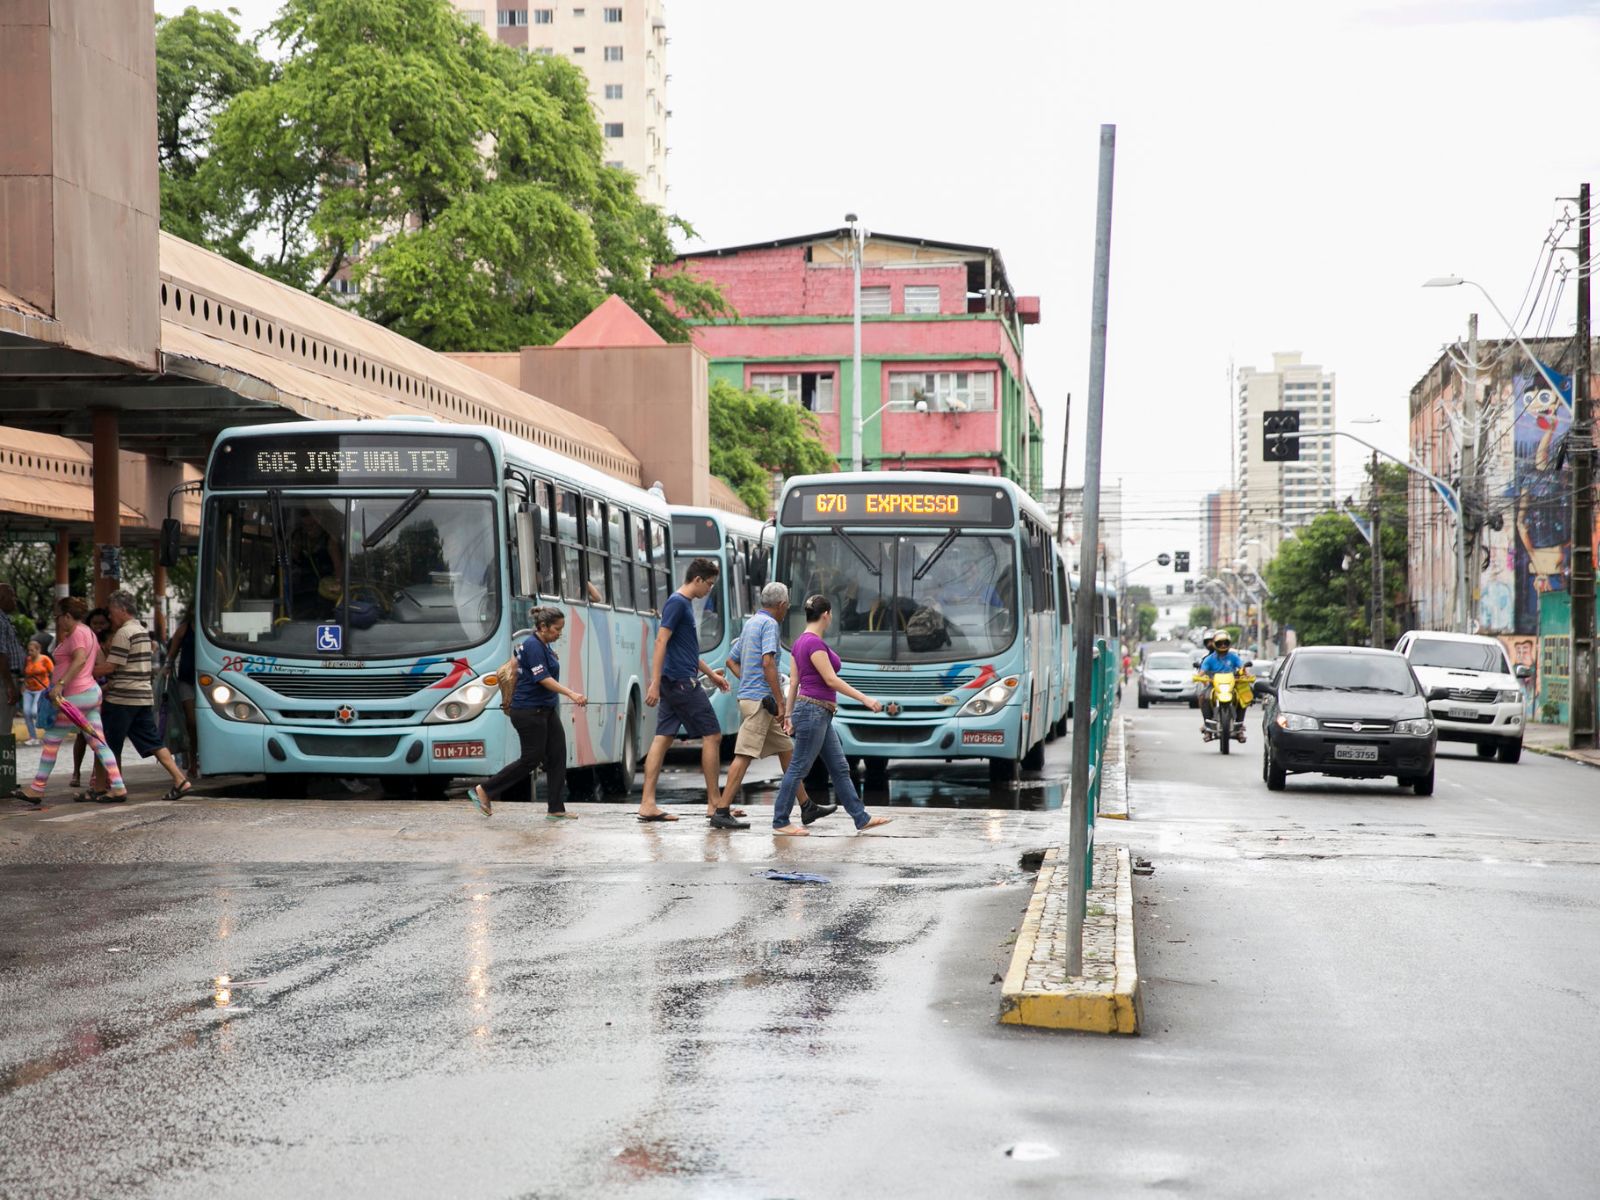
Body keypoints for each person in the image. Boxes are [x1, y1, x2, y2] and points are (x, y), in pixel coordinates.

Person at [770, 594, 893, 838]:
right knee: (799, 767)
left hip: (818, 712)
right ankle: (780, 820)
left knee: (839, 767)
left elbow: (794, 682)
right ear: (826, 614)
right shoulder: (814, 644)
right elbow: (830, 679)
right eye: (831, 614)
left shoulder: (798, 643)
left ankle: (861, 818)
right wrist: (865, 699)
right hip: (814, 711)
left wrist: (789, 715)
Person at [715, 582, 835, 830]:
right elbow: (768, 662)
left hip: (756, 699)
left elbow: (730, 660)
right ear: (781, 605)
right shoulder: (770, 625)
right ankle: (722, 810)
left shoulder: (751, 623)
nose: (787, 609)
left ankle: (806, 806)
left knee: (786, 751)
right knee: (745, 754)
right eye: (787, 605)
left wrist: (748, 682)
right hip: (763, 702)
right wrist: (780, 701)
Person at [468, 606, 587, 819]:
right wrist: (572, 694)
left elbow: (515, 664)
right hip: (529, 711)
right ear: (543, 627)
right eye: (557, 629)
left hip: (546, 711)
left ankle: (556, 809)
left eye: (561, 629)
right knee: (531, 759)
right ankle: (485, 790)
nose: (559, 633)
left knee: (558, 755)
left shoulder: (539, 645)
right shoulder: (533, 645)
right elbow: (542, 678)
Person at [637, 557, 731, 823]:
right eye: (709, 584)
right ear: (697, 579)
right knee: (712, 735)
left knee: (663, 737)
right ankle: (714, 804)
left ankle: (647, 803)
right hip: (679, 682)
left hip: (676, 679)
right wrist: (654, 682)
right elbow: (660, 641)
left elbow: (687, 650)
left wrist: (712, 674)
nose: (709, 590)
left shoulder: (684, 604)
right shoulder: (678, 603)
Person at [10, 597, 126, 804]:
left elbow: (81, 659)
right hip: (88, 693)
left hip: (74, 696)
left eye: (57, 616)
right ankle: (118, 786)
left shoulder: (78, 633)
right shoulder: (88, 633)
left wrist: (60, 684)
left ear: (67, 616)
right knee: (98, 742)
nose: (57, 620)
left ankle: (37, 788)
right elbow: (98, 661)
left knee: (52, 740)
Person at [98, 591, 194, 801]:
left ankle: (116, 787)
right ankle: (180, 780)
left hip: (122, 698)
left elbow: (111, 666)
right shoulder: (141, 630)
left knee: (110, 745)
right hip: (142, 696)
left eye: (112, 611)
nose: (110, 616)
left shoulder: (124, 633)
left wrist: (87, 672)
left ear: (122, 610)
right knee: (154, 742)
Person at [73, 607, 113, 792]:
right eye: (94, 623)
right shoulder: (84, 641)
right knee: (82, 735)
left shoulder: (110, 641)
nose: (98, 627)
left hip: (105, 693)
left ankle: (98, 778)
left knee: (99, 736)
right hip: (88, 692)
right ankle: (77, 772)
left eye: (101, 623)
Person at [166, 611, 200, 779]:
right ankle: (192, 761)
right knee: (192, 722)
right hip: (187, 680)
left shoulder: (213, 627)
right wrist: (167, 668)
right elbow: (172, 653)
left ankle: (199, 759)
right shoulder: (184, 629)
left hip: (209, 680)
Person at [1196, 631, 1246, 744]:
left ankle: (1239, 728)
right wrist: (1198, 677)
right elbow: (1202, 672)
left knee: (1243, 698)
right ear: (1215, 644)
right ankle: (1208, 728)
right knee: (1204, 697)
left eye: (1225, 643)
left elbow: (1242, 668)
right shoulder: (1209, 659)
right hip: (1213, 685)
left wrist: (1245, 673)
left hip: (1232, 685)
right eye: (1220, 643)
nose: (1223, 645)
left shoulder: (1234, 657)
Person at [0, 584, 23, 753]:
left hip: (8, 679)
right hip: (4, 680)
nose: (15, 601)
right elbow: (1, 653)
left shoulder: (4, 619)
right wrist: (9, 685)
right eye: (12, 597)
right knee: (2, 729)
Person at [22, 640, 53, 746]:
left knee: (35, 712)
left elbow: (53, 673)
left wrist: (53, 688)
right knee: (26, 712)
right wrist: (23, 686)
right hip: (29, 689)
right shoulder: (28, 660)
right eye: (29, 650)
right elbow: (26, 674)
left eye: (32, 650)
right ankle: (33, 737)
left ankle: (48, 733)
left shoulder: (45, 659)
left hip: (41, 688)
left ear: (38, 650)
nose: (30, 652)